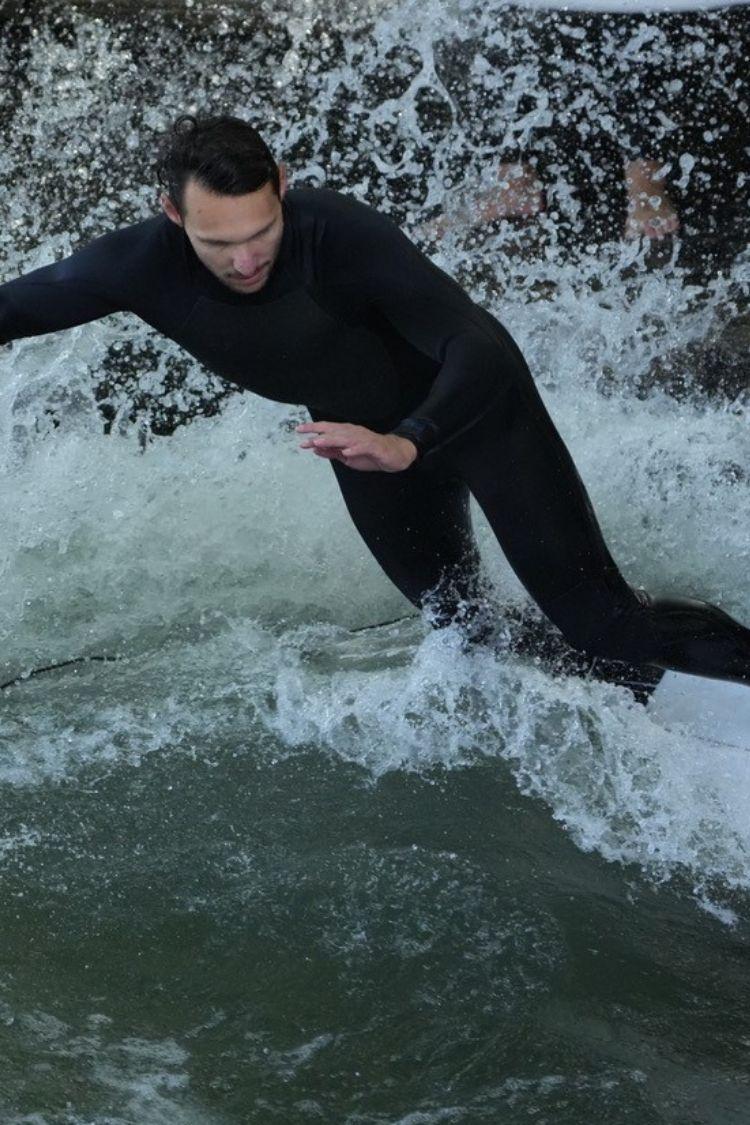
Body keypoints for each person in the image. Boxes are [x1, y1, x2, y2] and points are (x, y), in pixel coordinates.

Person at [1, 114, 748, 687]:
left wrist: (412, 438)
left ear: (283, 186)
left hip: (477, 413)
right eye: (218, 243)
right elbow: (18, 306)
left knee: (604, 624)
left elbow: (476, 346)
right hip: (365, 445)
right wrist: (386, 448)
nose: (247, 259)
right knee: (465, 630)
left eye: (262, 231)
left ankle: (685, 658)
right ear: (171, 213)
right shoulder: (136, 265)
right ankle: (630, 693)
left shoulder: (339, 234)